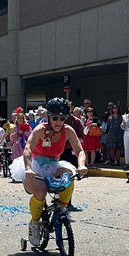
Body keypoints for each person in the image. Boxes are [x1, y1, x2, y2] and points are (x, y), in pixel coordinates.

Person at [22, 98, 87, 247]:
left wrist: (81, 165)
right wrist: (28, 168)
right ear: (49, 117)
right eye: (55, 117)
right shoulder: (40, 130)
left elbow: (79, 150)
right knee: (40, 192)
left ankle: (62, 210)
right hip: (35, 164)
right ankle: (34, 223)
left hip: (53, 164)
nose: (58, 121)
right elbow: (27, 150)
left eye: (62, 118)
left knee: (70, 177)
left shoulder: (68, 130)